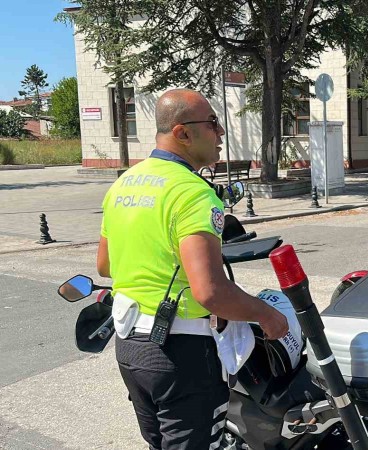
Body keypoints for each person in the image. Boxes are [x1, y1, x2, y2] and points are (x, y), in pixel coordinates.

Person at [96, 88, 288, 450]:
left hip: (130, 348)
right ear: (182, 133)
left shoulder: (123, 184)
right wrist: (267, 315)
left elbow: (105, 265)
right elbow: (210, 292)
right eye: (213, 124)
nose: (221, 133)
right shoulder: (192, 192)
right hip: (181, 353)